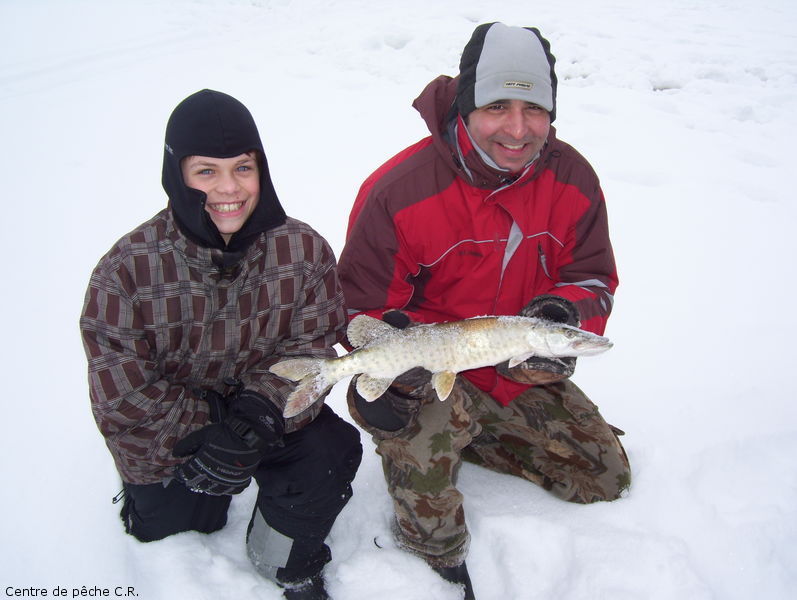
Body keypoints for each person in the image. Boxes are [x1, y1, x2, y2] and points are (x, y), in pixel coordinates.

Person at [337, 23, 631, 599]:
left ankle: (470, 433)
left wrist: (561, 311)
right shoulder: (401, 191)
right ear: (468, 105)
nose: (518, 129)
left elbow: (593, 277)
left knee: (602, 477)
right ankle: (430, 550)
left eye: (534, 109)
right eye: (498, 105)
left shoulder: (572, 178)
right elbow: (361, 307)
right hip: (420, 375)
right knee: (431, 489)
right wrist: (399, 357)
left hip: (510, 364)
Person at [80, 89, 362, 600]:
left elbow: (314, 348)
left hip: (266, 413)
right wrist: (211, 432)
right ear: (177, 175)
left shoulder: (302, 249)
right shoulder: (125, 270)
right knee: (175, 526)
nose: (228, 189)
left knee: (329, 451)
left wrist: (256, 414)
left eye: (243, 168)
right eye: (206, 171)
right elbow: (122, 396)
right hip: (181, 437)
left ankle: (284, 563)